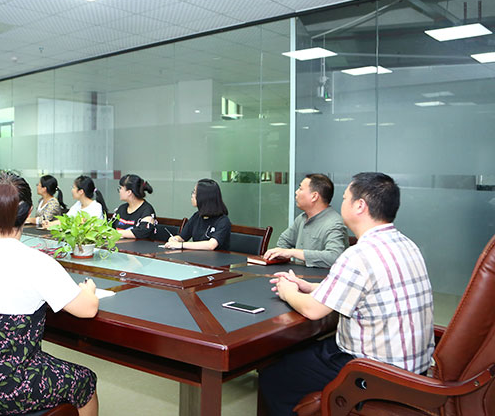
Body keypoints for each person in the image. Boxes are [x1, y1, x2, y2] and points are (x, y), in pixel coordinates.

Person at [259, 172, 434, 415]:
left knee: (273, 376)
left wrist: (288, 291)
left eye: (344, 198)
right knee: (296, 354)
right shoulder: (407, 244)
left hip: (373, 372)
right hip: (414, 369)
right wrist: (310, 287)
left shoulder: (359, 254)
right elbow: (368, 289)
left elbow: (312, 310)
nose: (340, 204)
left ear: (359, 206)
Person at [0, 173, 99, 416]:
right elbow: (87, 309)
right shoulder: (37, 262)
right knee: (85, 381)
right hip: (11, 384)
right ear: (29, 211)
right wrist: (89, 291)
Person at [263, 174, 348, 267]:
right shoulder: (302, 218)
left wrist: (293, 252)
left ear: (314, 196)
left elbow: (334, 257)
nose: (296, 192)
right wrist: (280, 254)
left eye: (300, 189)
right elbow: (284, 240)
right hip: (296, 273)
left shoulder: (334, 223)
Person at [165, 179, 231, 251]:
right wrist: (175, 239)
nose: (192, 196)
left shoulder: (222, 221)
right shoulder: (197, 216)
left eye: (194, 193)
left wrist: (181, 245)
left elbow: (211, 245)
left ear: (204, 197)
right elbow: (182, 237)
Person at [112, 174, 156, 239]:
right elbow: (111, 227)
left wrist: (116, 233)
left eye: (121, 188)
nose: (119, 191)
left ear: (129, 192)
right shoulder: (121, 208)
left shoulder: (147, 210)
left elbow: (142, 232)